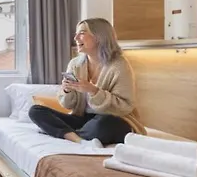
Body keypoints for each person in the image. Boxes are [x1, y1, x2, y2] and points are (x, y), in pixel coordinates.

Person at [28, 17, 146, 147]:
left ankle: (61, 132)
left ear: (99, 36)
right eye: (76, 34)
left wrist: (93, 91)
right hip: (83, 119)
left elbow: (124, 106)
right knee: (36, 111)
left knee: (104, 124)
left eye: (82, 33)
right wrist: (67, 91)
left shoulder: (119, 66)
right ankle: (78, 139)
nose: (76, 38)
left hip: (113, 118)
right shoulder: (75, 64)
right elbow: (68, 105)